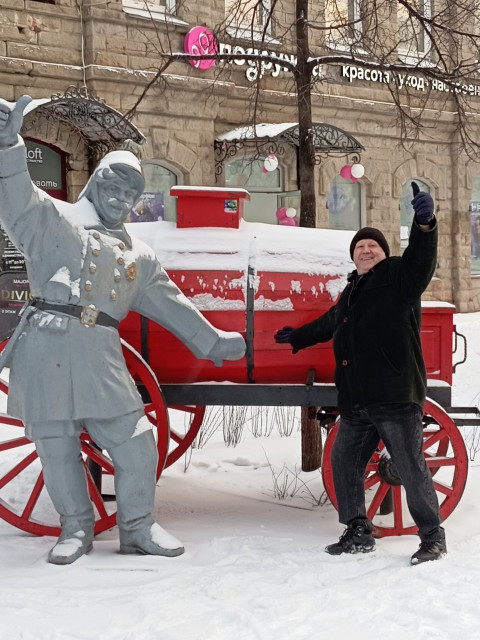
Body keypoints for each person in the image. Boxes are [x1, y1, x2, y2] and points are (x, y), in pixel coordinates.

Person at [0, 95, 246, 565]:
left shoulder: (140, 259)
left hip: (100, 355)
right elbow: (15, 199)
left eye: (128, 195)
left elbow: (172, 306)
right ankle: (75, 528)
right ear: (94, 184)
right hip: (45, 346)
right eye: (111, 188)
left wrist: (213, 343)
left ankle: (138, 526)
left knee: (135, 440)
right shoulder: (52, 219)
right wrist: (9, 146)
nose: (118, 200)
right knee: (56, 447)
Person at [275, 181, 445, 566]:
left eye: (373, 246)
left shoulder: (398, 278)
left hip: (394, 395)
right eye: (359, 247)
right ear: (353, 257)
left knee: (409, 465)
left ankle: (433, 536)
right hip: (357, 400)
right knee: (344, 461)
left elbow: (422, 261)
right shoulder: (352, 290)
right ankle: (358, 530)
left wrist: (424, 224)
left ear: (384, 254)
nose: (365, 251)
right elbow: (331, 322)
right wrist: (298, 336)